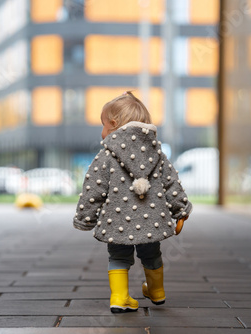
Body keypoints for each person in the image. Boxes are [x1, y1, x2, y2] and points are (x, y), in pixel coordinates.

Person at [73, 91, 193, 313]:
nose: (102, 132)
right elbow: (171, 182)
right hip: (151, 221)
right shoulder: (157, 153)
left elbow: (93, 189)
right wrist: (180, 210)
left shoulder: (106, 155)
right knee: (152, 253)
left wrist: (85, 218)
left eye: (103, 125)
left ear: (113, 123)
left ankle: (119, 297)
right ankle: (157, 292)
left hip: (116, 219)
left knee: (118, 256)